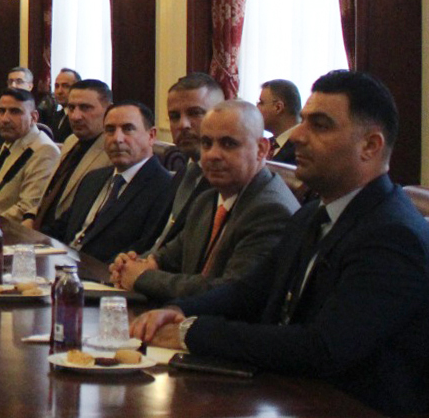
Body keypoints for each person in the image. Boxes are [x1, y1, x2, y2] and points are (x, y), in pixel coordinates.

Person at [133, 71, 429, 418]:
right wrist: (179, 310)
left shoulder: (394, 236)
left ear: (370, 146)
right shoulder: (314, 213)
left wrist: (193, 332)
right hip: (291, 398)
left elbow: (322, 347)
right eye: (303, 121)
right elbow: (251, 290)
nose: (297, 135)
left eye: (320, 125)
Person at [109, 100, 299, 300]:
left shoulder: (270, 210)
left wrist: (141, 277)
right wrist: (136, 264)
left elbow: (229, 293)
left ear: (261, 149)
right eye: (207, 143)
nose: (213, 155)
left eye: (228, 144)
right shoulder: (207, 199)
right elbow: (170, 256)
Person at [44, 102, 175, 262]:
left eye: (128, 129)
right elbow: (62, 227)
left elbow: (142, 249)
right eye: (110, 130)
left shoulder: (164, 187)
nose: (117, 139)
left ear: (151, 136)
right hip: (63, 264)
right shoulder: (93, 179)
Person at [148, 73, 226, 253]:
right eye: (174, 116)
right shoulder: (183, 173)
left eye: (195, 113)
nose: (183, 124)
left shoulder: (226, 182)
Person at [0, 88, 59, 222]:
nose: (5, 119)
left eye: (15, 112)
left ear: (34, 117)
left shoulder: (45, 150)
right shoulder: (4, 145)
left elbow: (27, 207)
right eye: (2, 111)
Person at [30, 78, 113, 230]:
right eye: (71, 108)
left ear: (109, 110)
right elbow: (50, 193)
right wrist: (30, 217)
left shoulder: (112, 153)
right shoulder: (71, 141)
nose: (75, 116)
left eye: (85, 108)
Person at [258, 78, 303, 162]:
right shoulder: (266, 145)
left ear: (278, 107)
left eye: (261, 103)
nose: (256, 108)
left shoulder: (303, 148)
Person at [45, 68, 80, 142]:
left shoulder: (80, 117)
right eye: (57, 86)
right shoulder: (55, 116)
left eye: (65, 86)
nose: (59, 91)